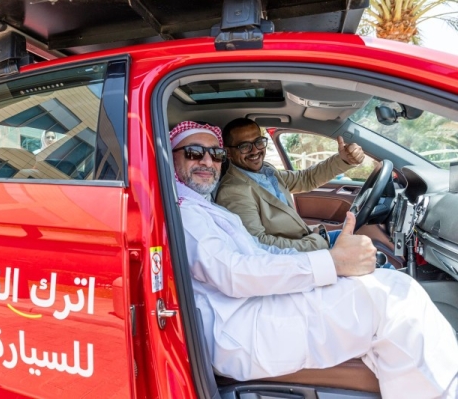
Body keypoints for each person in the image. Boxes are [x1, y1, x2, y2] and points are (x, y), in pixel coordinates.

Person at [170, 120, 458, 398]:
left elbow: (263, 243)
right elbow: (236, 272)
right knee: (396, 299)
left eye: (214, 154)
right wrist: (328, 261)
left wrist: (329, 262)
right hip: (242, 327)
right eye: (195, 153)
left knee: (391, 288)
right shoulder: (188, 213)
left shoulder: (207, 203)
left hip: (256, 302)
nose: (207, 162)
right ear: (170, 159)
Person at [216, 118, 363, 252]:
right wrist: (316, 242)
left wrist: (344, 160)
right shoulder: (234, 191)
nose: (255, 150)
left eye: (259, 142)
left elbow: (306, 178)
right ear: (228, 153)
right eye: (244, 146)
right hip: (297, 257)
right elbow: (258, 243)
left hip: (306, 241)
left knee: (364, 244)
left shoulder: (267, 170)